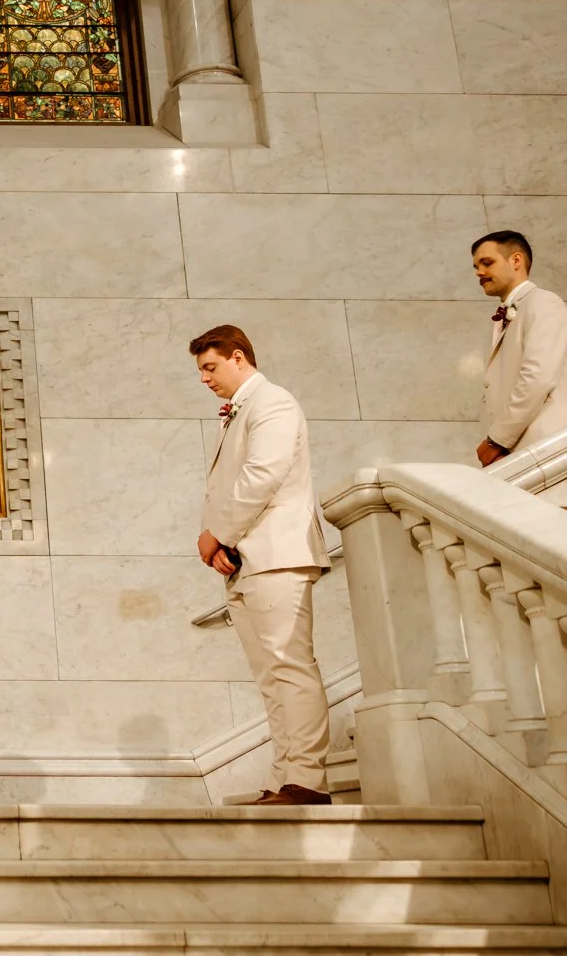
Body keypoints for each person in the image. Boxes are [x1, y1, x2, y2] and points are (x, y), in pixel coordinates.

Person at [190, 325, 332, 807]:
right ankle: (284, 776)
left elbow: (262, 476)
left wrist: (218, 534)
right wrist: (220, 545)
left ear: (238, 357)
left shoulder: (273, 402)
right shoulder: (239, 412)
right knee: (270, 676)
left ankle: (308, 780)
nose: (205, 379)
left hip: (278, 554)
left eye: (210, 367)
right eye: (201, 371)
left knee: (290, 667)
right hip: (247, 559)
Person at [470, 231, 567, 504]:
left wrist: (496, 440)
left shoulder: (544, 302)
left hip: (544, 442)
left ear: (516, 260)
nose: (479, 272)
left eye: (487, 263)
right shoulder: (504, 316)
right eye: (475, 267)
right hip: (516, 449)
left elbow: (537, 378)